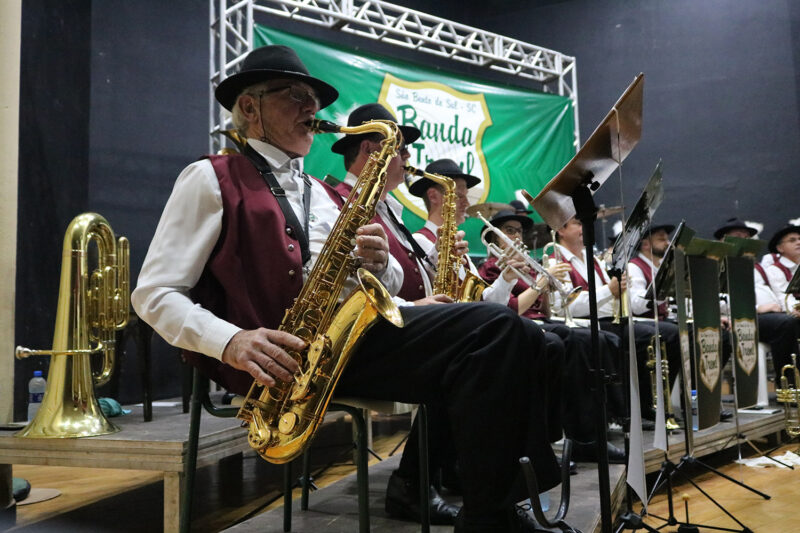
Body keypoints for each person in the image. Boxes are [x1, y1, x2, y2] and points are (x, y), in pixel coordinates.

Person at [131, 44, 558, 532]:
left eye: (313, 98)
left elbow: (372, 285)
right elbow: (154, 294)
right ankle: (489, 512)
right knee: (494, 329)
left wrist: (383, 267)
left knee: (522, 335)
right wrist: (231, 341)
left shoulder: (318, 190)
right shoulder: (210, 177)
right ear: (250, 108)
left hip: (349, 342)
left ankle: (491, 505)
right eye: (294, 96)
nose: (311, 108)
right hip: (285, 361)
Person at [329, 102, 458, 524]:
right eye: (401, 150)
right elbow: (343, 287)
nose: (407, 160)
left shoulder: (391, 211)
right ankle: (417, 483)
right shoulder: (339, 202)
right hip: (367, 336)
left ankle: (449, 472)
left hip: (397, 324)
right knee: (472, 344)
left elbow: (411, 279)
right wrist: (413, 306)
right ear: (371, 150)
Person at [477, 209, 627, 463]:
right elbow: (512, 309)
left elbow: (544, 310)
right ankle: (581, 437)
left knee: (594, 338)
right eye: (509, 231)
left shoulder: (524, 266)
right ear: (493, 238)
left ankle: (596, 428)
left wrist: (546, 285)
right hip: (518, 326)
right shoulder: (491, 268)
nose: (516, 236)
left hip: (541, 321)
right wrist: (538, 286)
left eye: (519, 231)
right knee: (574, 340)